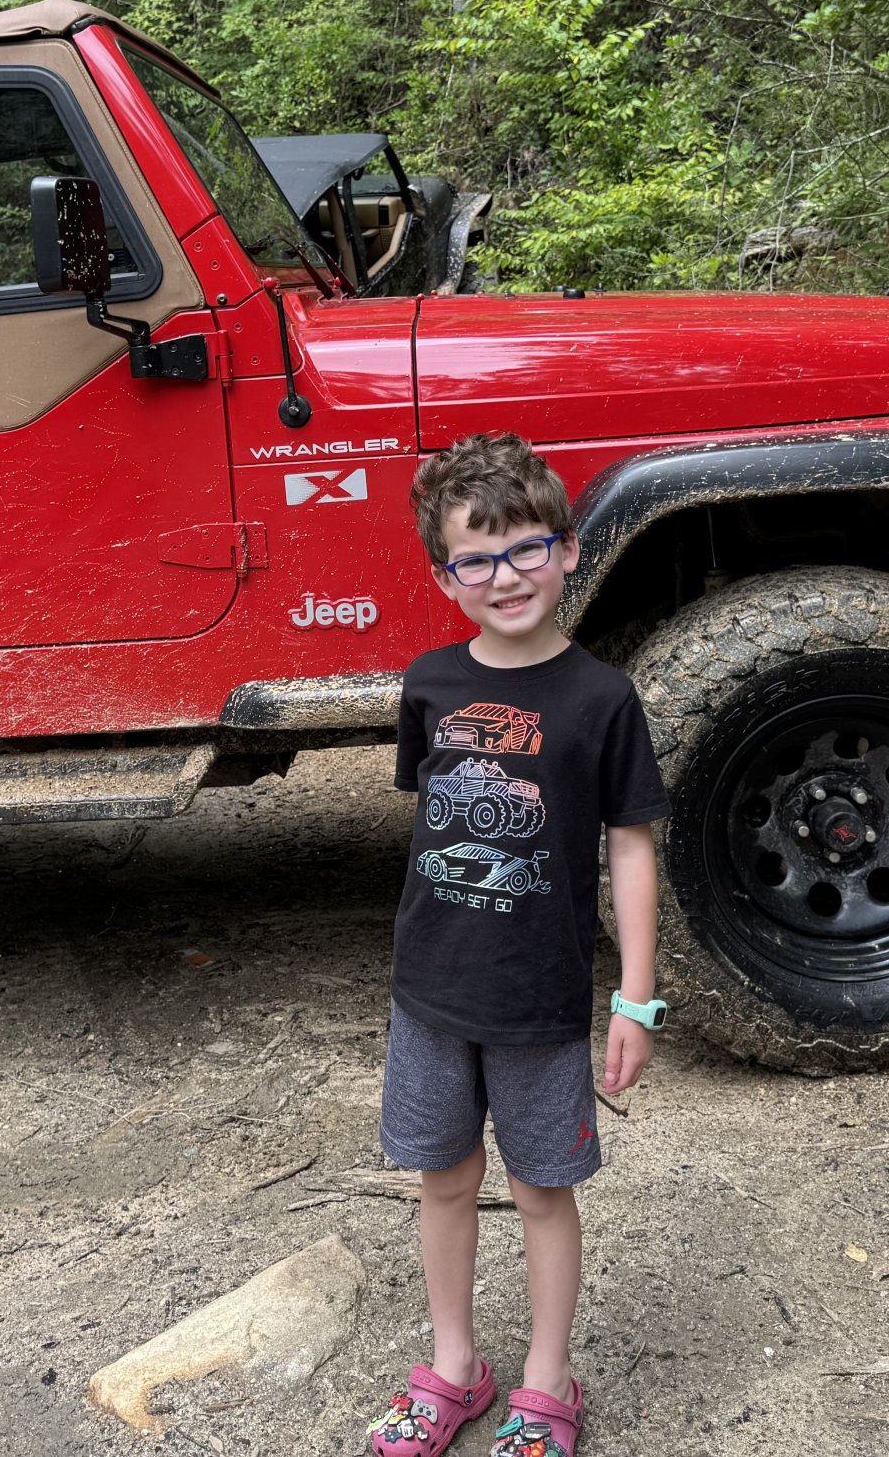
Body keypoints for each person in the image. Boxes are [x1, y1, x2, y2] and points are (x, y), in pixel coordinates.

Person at [365, 432, 671, 1457]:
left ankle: (547, 1381)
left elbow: (629, 846)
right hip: (430, 993)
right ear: (443, 576)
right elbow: (433, 823)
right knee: (443, 1177)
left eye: (525, 548)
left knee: (542, 1191)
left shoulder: (602, 698)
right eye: (475, 559)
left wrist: (635, 997)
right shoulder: (428, 685)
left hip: (541, 998)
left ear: (568, 549)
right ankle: (454, 1366)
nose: (504, 577)